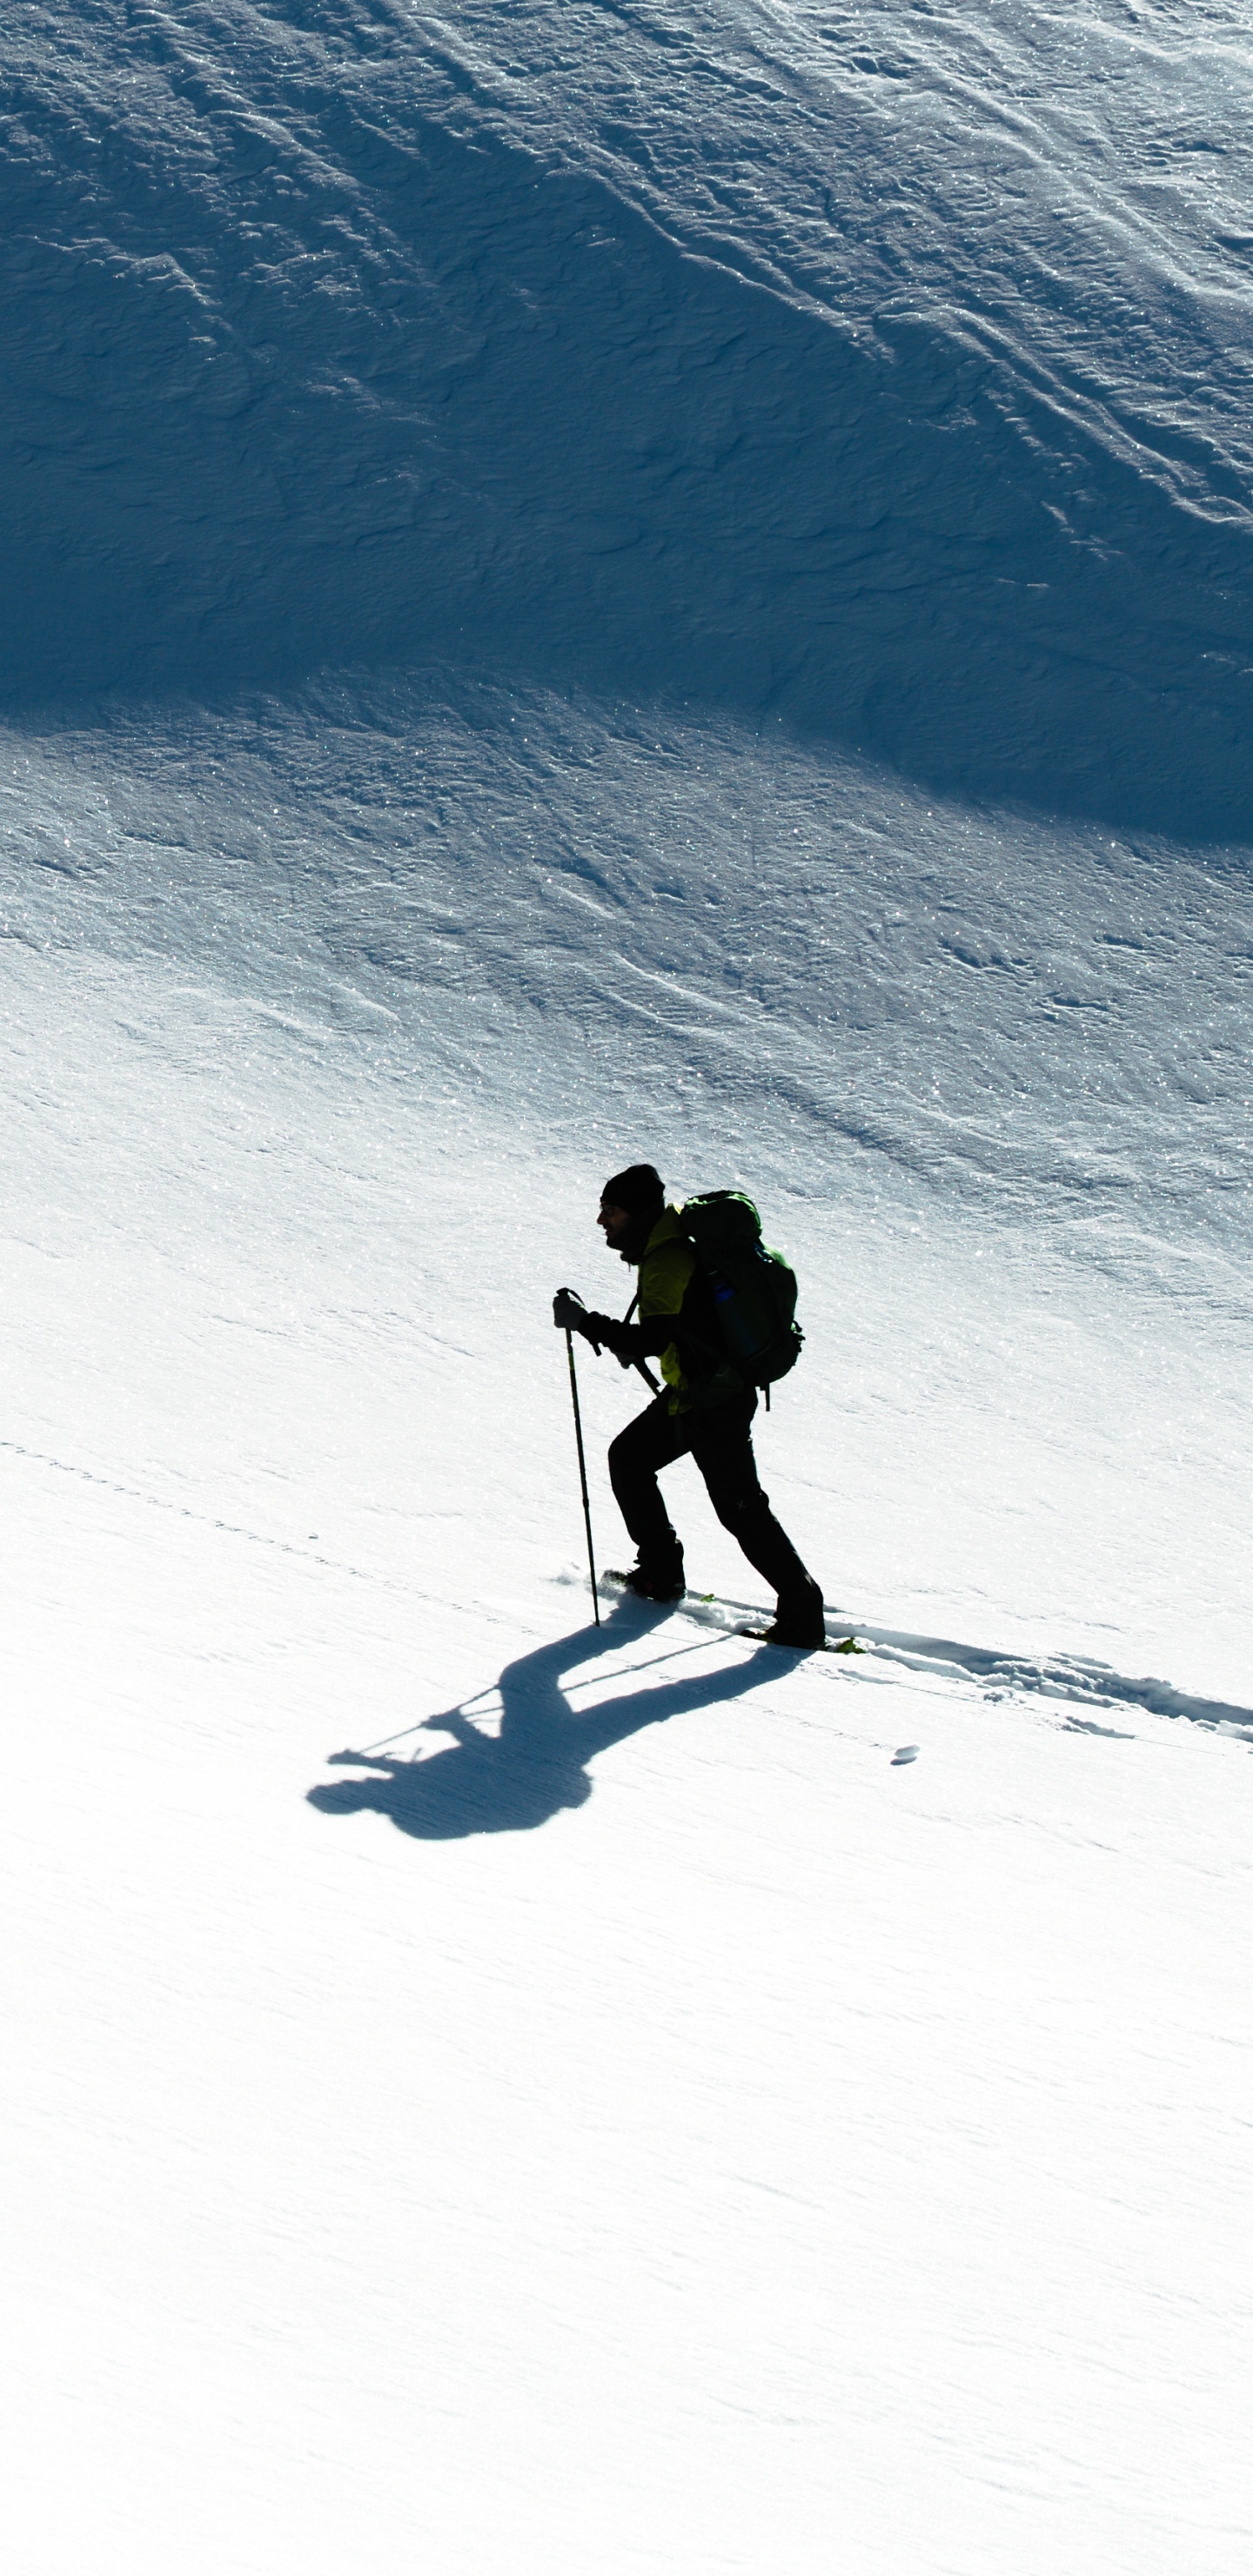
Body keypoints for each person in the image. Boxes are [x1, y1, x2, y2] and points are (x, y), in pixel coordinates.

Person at [553, 1164, 826, 1647]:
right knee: (631, 1458)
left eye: (610, 1210)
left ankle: (803, 1615)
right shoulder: (670, 1242)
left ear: (636, 1213)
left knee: (741, 1509)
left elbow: (654, 1338)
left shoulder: (667, 1256)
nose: (602, 1220)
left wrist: (584, 1322)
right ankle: (660, 1574)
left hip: (713, 1403)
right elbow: (676, 1330)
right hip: (699, 1395)